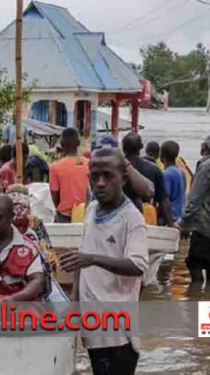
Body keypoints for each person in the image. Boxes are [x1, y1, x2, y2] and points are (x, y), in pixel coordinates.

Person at [60, 148, 148, 375]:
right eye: (94, 176)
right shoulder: (91, 209)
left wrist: (92, 259)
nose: (100, 183)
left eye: (108, 176)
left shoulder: (131, 218)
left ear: (123, 179)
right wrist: (74, 301)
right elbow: (84, 255)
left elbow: (138, 266)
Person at [178, 131, 210, 282]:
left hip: (205, 224)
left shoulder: (206, 166)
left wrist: (184, 224)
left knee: (195, 264)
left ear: (205, 146)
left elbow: (195, 198)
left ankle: (196, 300)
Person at [122, 132, 173, 227]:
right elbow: (163, 200)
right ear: (141, 147)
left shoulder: (115, 167)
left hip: (119, 216)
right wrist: (171, 225)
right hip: (146, 218)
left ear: (123, 148)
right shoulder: (153, 168)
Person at [7, 185, 58, 273]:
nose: (19, 212)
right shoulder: (33, 221)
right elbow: (51, 259)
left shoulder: (34, 222)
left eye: (23, 208)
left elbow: (50, 257)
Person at [50, 128, 89, 223]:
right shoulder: (89, 164)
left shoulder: (55, 167)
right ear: (78, 143)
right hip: (86, 214)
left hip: (64, 217)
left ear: (62, 144)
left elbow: (55, 197)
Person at [159, 141, 186, 224]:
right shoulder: (181, 172)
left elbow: (164, 199)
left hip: (171, 218)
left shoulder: (166, 174)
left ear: (162, 156)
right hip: (180, 216)